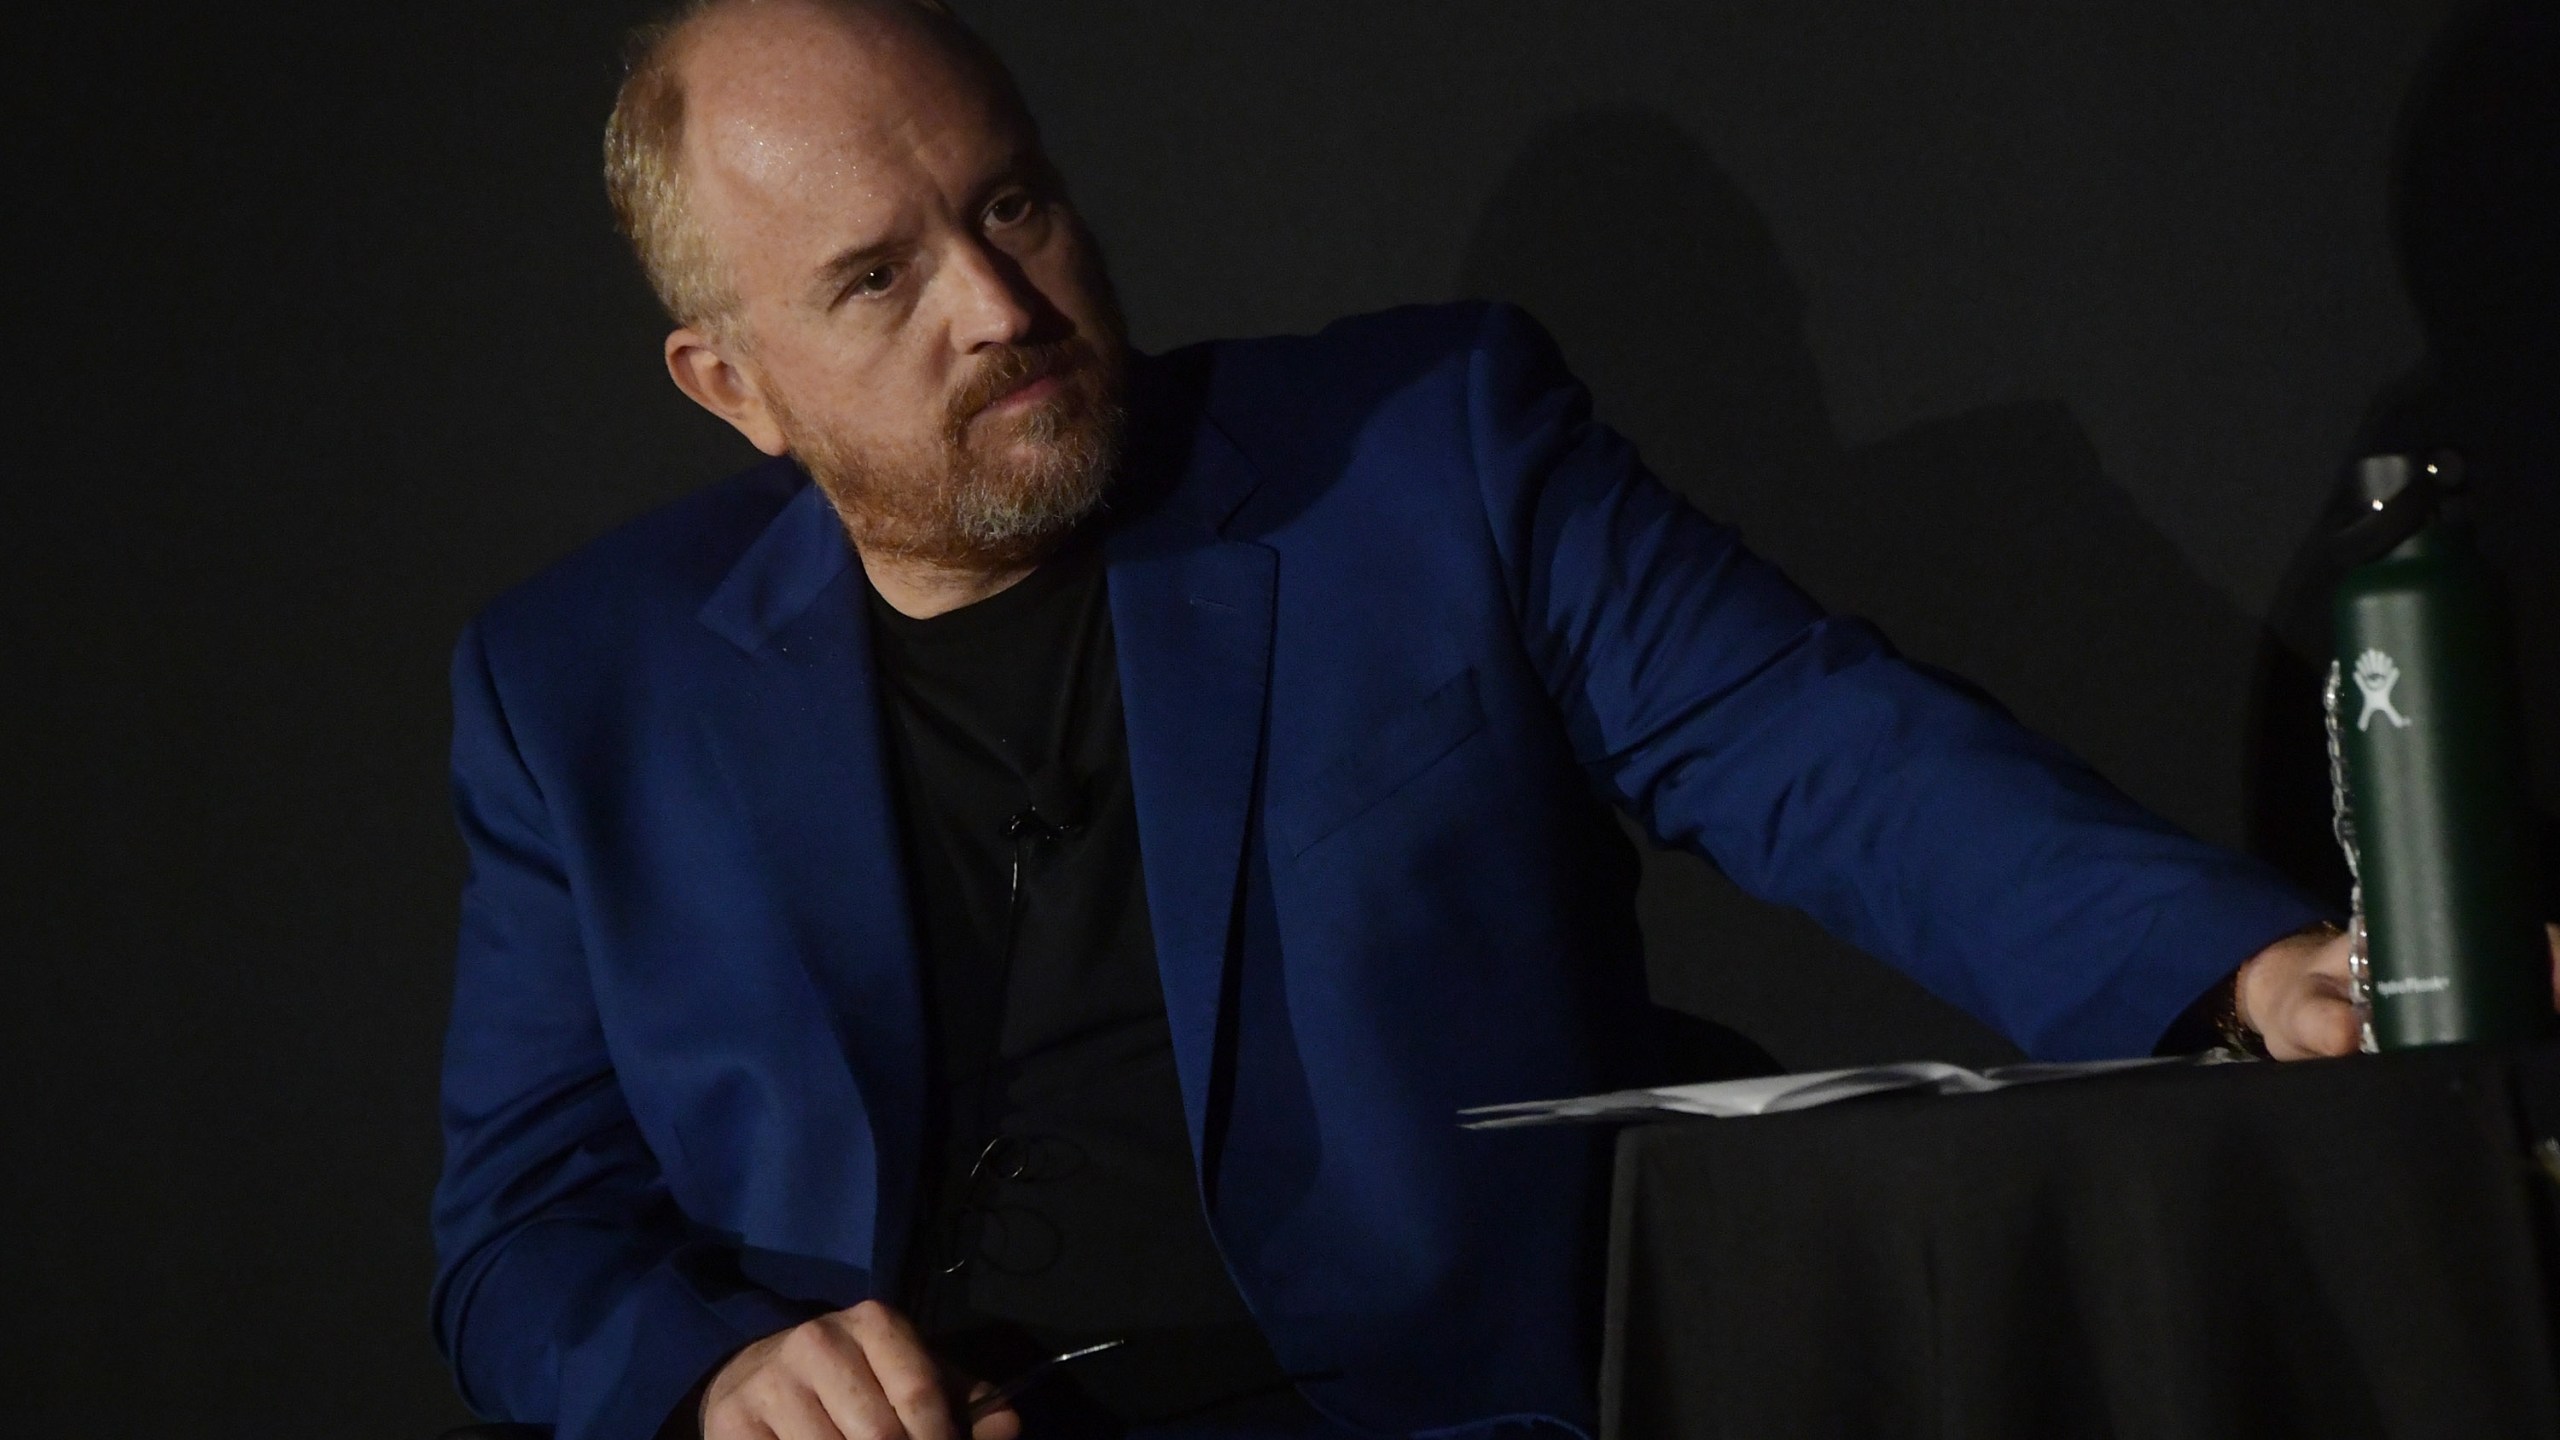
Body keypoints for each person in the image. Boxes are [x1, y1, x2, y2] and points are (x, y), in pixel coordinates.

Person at [427, 3, 2534, 1438]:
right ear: (731, 386)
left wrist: (2229, 965)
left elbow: (1806, 741)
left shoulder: (1421, 457)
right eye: (874, 282)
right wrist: (716, 1382)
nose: (1000, 303)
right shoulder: (577, 689)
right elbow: (523, 1228)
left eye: (1012, 202)